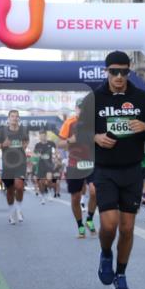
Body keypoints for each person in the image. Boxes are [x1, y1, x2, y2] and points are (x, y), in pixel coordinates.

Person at [85, 51, 145, 289]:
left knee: (127, 228)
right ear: (106, 72)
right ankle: (106, 253)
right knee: (109, 225)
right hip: (105, 170)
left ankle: (121, 274)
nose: (119, 76)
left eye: (124, 72)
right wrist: (95, 137)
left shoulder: (141, 98)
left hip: (132, 170)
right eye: (114, 72)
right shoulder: (94, 98)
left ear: (129, 71)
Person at [59, 99, 98, 237]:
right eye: (80, 108)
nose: (82, 111)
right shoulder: (69, 123)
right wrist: (70, 140)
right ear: (76, 108)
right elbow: (59, 143)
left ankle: (89, 219)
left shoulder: (94, 122)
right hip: (74, 164)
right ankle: (80, 226)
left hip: (91, 162)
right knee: (75, 197)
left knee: (94, 192)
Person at [0, 110, 30, 224]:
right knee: (10, 190)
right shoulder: (3, 131)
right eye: (12, 116)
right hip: (8, 164)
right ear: (8, 118)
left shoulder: (23, 129)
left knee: (19, 186)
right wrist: (3, 144)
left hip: (20, 163)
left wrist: (25, 144)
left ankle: (18, 209)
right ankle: (11, 212)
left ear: (18, 118)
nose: (14, 118)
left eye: (16, 116)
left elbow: (26, 140)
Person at [34, 132, 56, 204]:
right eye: (41, 136)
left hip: (49, 165)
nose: (42, 137)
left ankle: (49, 192)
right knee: (41, 182)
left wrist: (56, 157)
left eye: (43, 136)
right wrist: (38, 155)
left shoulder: (51, 143)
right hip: (41, 165)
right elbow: (35, 153)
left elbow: (56, 150)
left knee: (49, 179)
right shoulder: (37, 145)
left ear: (46, 136)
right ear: (39, 137)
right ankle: (42, 197)